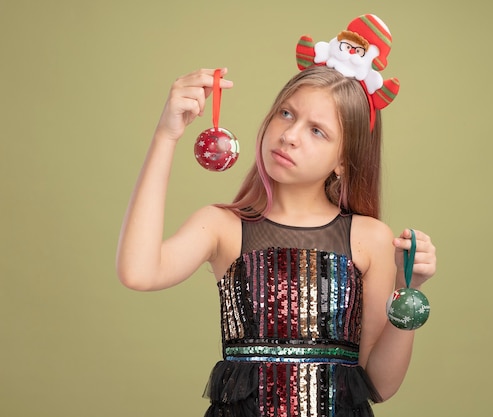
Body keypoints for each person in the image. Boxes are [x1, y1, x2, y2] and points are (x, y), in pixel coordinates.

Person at [116, 14, 436, 417]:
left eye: (317, 131)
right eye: (287, 114)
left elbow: (380, 384)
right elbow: (138, 272)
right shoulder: (223, 226)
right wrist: (166, 136)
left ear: (344, 161)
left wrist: (408, 291)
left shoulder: (369, 238)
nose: (290, 135)